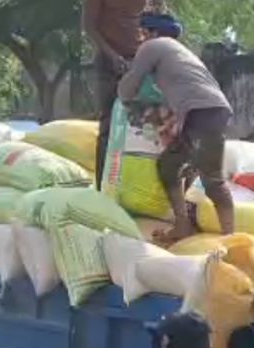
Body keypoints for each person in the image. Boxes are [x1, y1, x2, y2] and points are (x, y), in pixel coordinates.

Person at [119, 12, 235, 242]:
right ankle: (182, 225)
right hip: (205, 112)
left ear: (152, 32)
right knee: (168, 166)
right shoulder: (177, 51)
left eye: (142, 33)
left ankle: (232, 239)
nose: (139, 39)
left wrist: (122, 83)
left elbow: (127, 90)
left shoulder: (152, 46)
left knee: (212, 180)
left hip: (204, 113)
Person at [83, 0, 146, 183]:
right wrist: (112, 55)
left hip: (140, 61)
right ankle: (103, 184)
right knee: (108, 125)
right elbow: (89, 26)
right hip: (108, 63)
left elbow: (154, 17)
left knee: (143, 126)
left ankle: (135, 182)